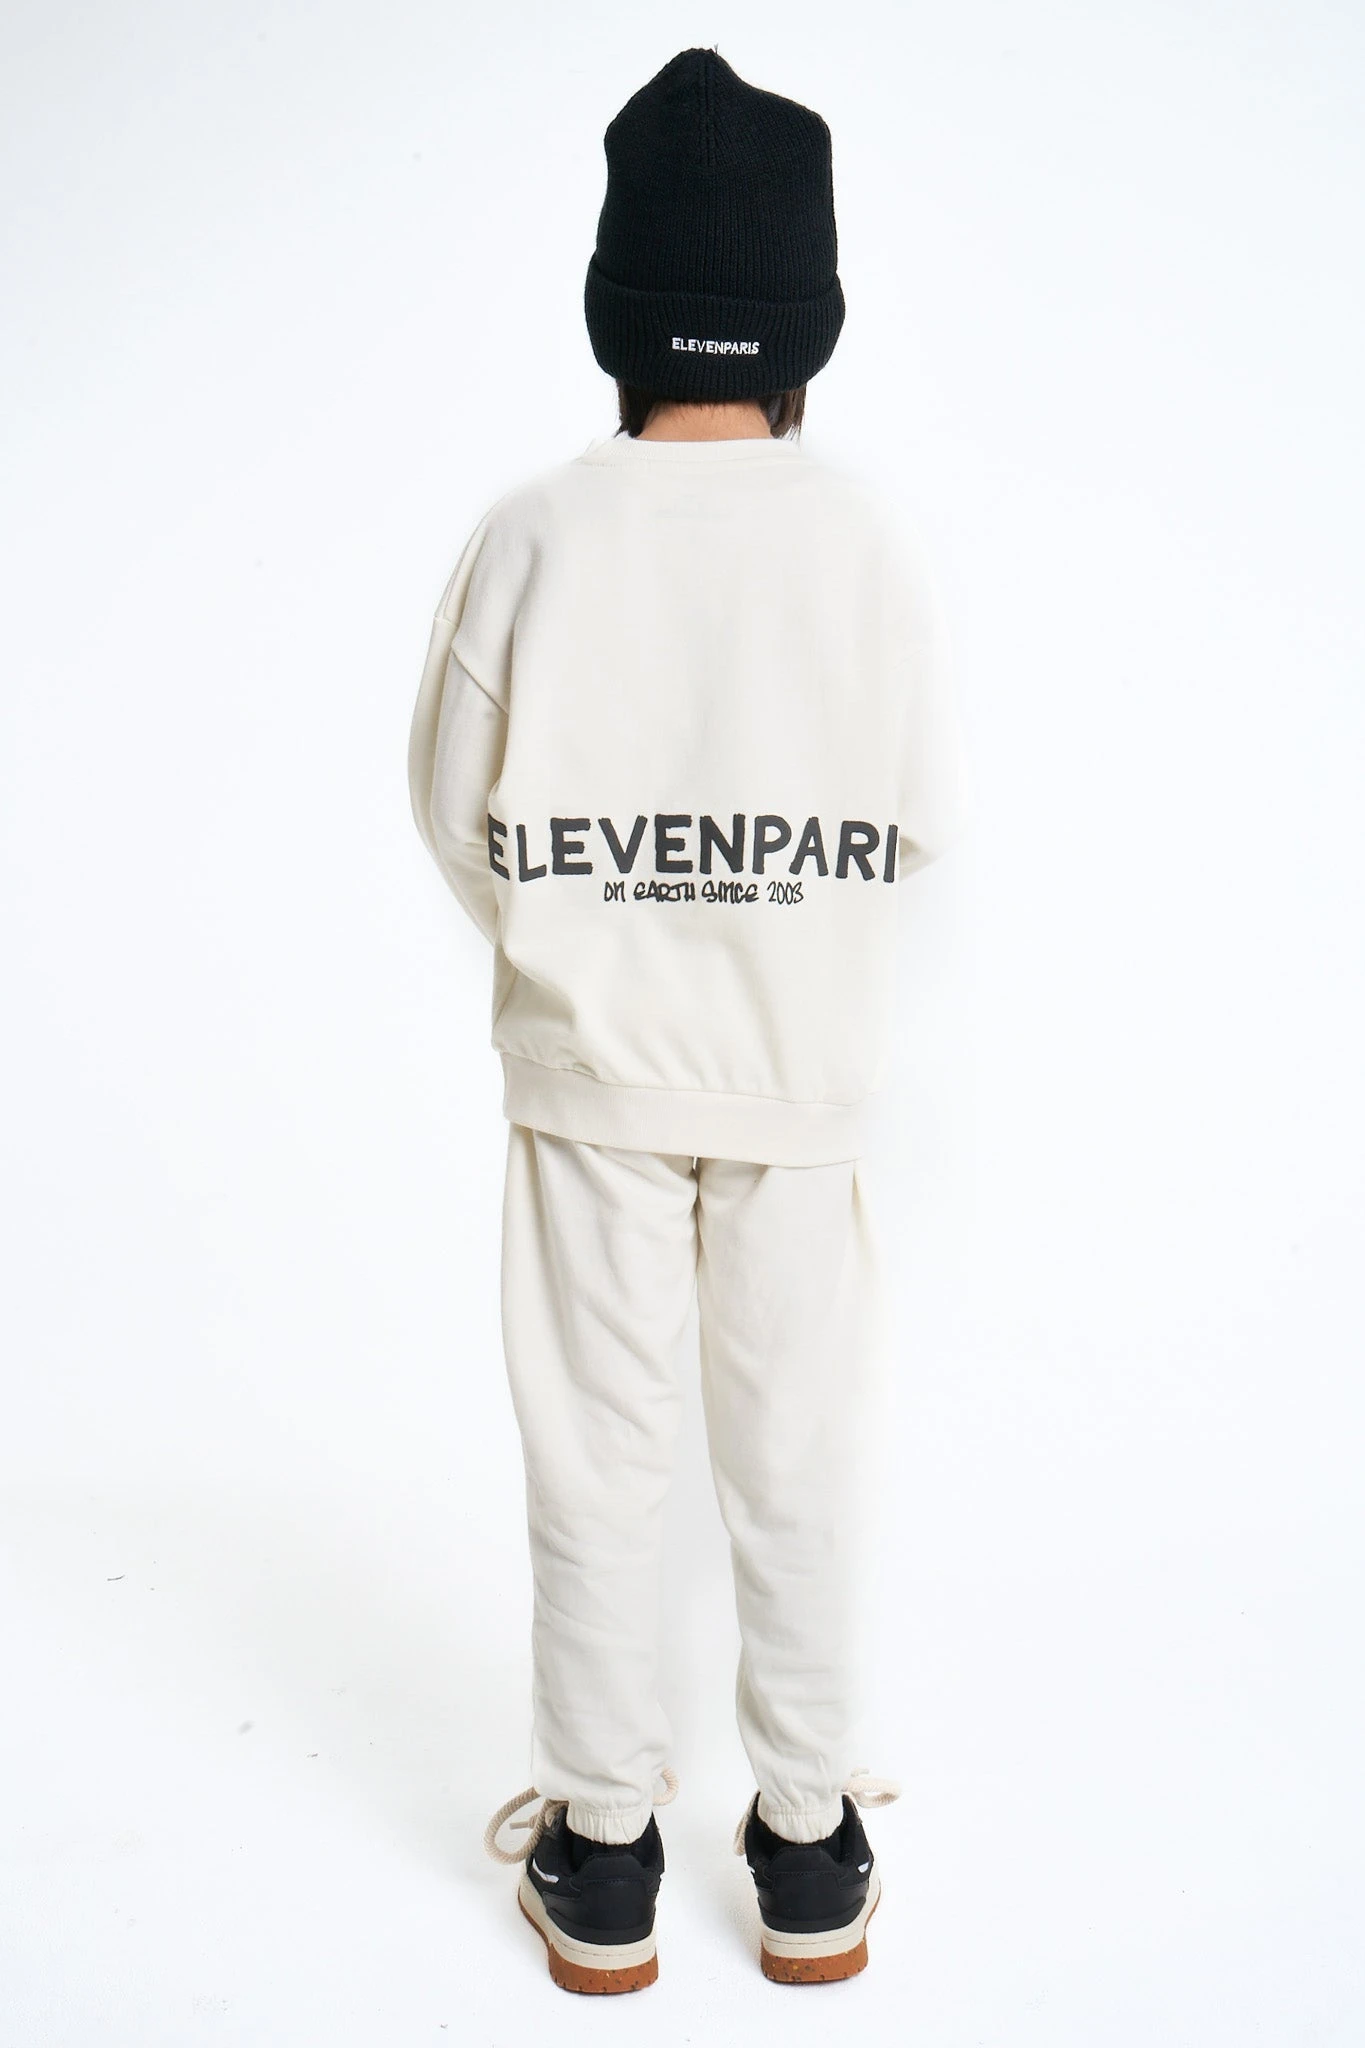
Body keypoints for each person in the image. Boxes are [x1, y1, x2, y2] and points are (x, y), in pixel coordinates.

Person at [408, 44, 970, 1994]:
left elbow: (451, 803)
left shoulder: (535, 536)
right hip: (797, 1082)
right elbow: (916, 819)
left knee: (598, 1461)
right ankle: (807, 1844)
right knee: (796, 1456)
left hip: (593, 1078)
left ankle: (602, 1846)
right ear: (809, 321)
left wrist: (581, 936)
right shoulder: (862, 546)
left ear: (612, 311)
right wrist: (783, 935)